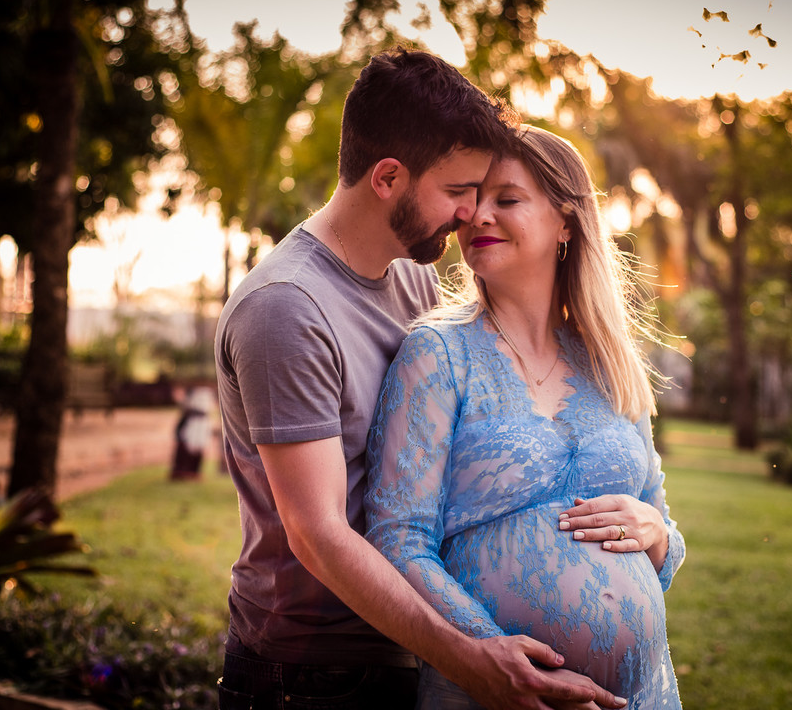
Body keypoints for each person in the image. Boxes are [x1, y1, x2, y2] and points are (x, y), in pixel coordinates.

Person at [214, 49, 622, 710]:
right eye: (458, 191)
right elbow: (318, 535)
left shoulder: (410, 278)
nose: (470, 214)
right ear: (388, 178)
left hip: (407, 651)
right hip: (312, 676)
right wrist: (472, 660)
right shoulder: (286, 308)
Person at [365, 125, 686, 710]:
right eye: (472, 200)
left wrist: (659, 536)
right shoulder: (437, 355)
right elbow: (398, 540)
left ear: (566, 221)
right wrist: (498, 658)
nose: (477, 215)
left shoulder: (611, 361)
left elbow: (663, 530)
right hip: (493, 693)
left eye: (506, 199)